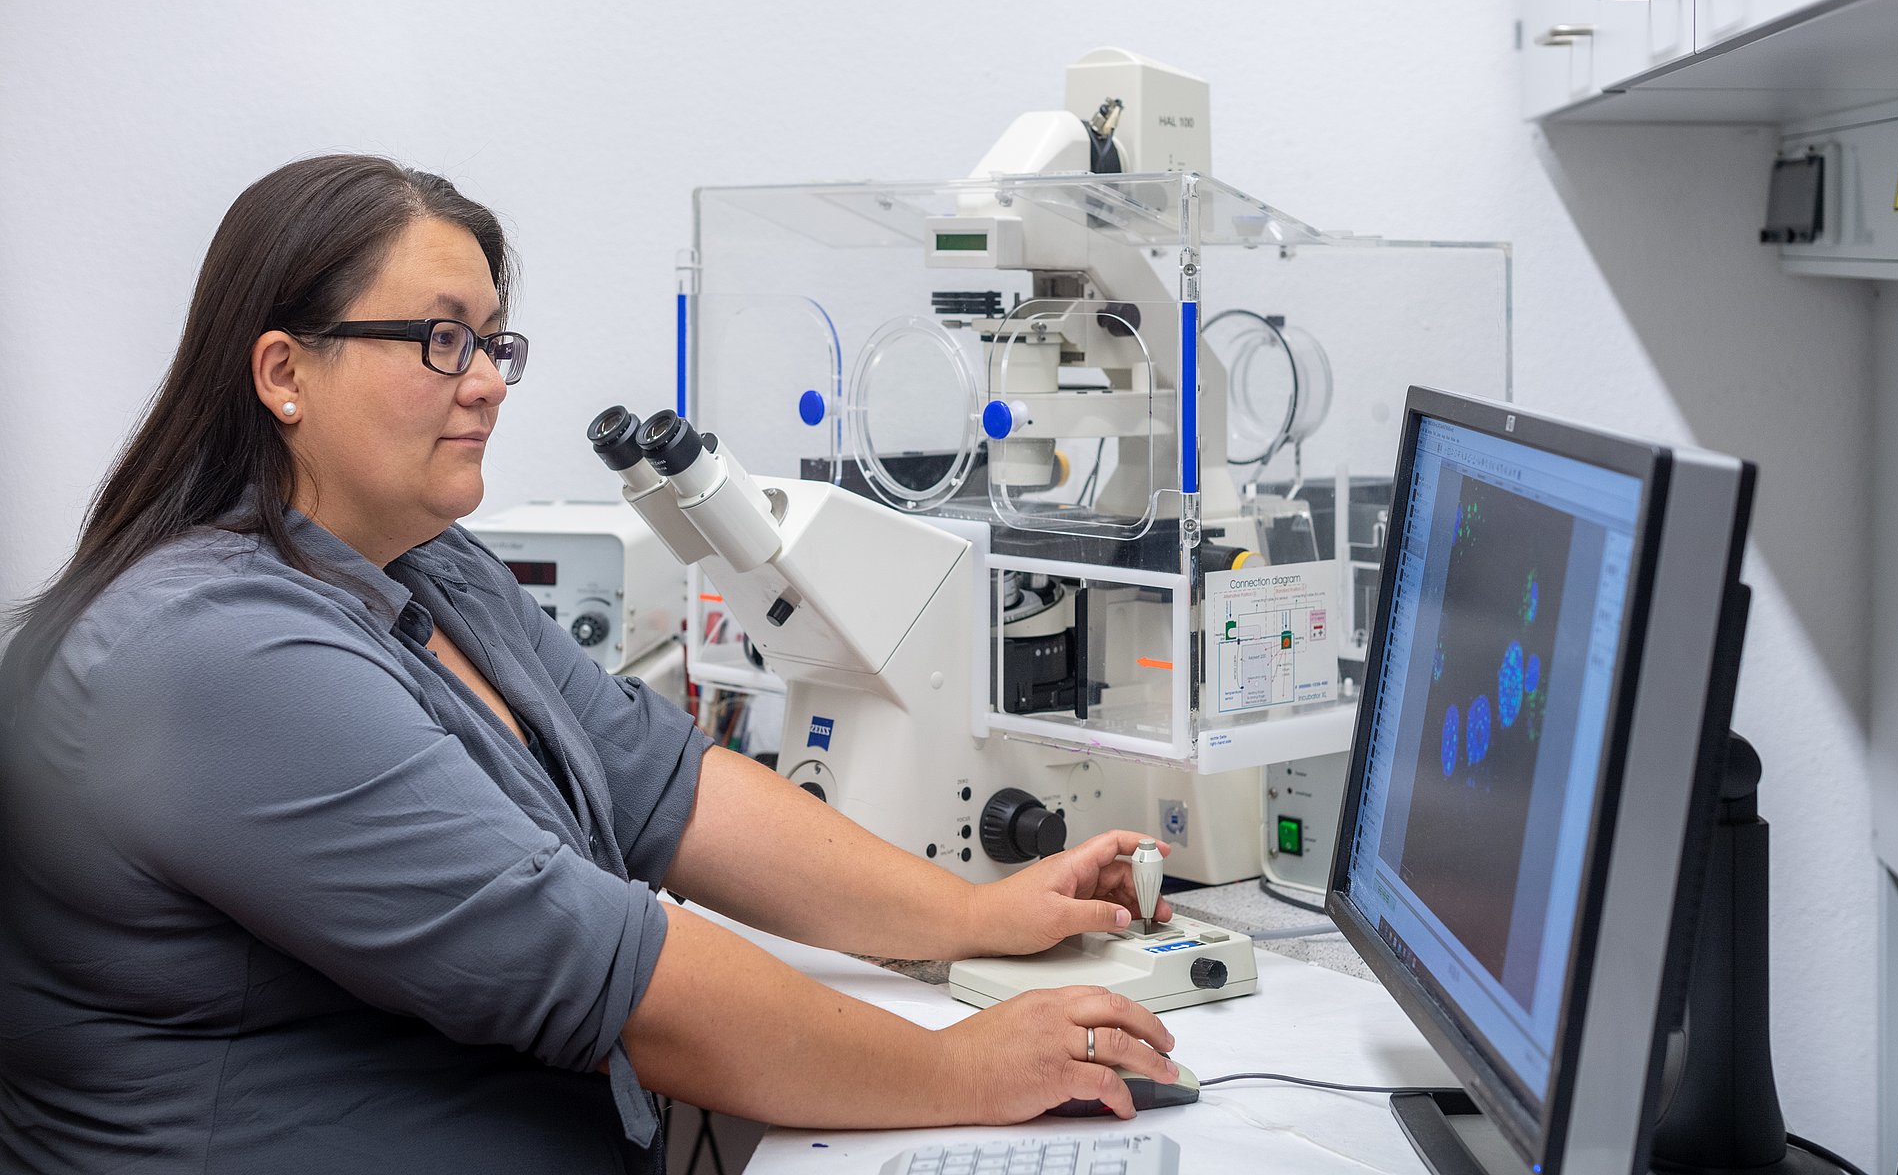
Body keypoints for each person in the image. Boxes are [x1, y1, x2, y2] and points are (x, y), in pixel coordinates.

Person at [0, 155, 1182, 1174]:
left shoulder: (431, 568)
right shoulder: (213, 652)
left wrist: (972, 913)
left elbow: (670, 784)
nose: (488, 380)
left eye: (493, 340)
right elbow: (604, 966)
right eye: (439, 338)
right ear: (282, 373)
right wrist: (956, 1067)